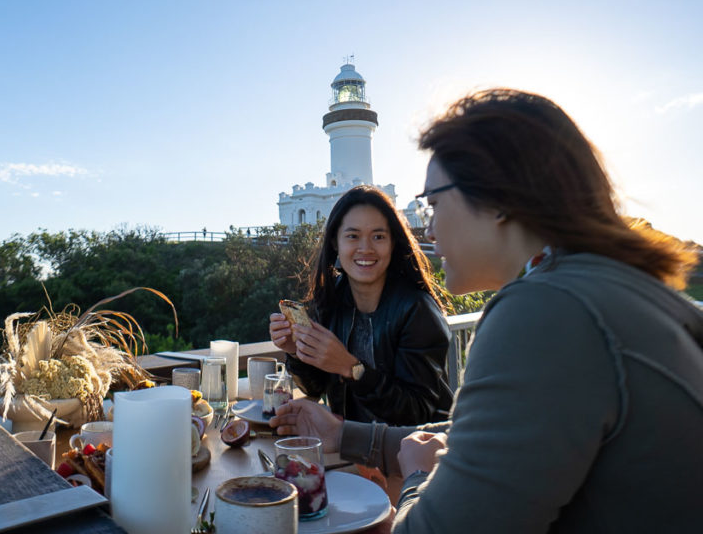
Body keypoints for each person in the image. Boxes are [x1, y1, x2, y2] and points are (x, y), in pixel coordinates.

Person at [270, 89, 703, 533]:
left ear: (497, 199)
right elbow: (476, 436)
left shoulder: (543, 313)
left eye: (435, 202)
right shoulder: (605, 288)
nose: (430, 228)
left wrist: (418, 479)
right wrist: (344, 435)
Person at [268, 185, 454, 427]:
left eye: (378, 236)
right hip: (350, 453)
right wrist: (297, 350)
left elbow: (416, 413)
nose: (365, 248)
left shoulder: (416, 310)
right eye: (353, 236)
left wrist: (351, 367)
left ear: (393, 243)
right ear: (335, 242)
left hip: (417, 457)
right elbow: (315, 388)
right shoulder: (331, 302)